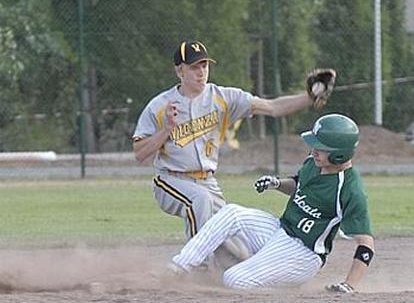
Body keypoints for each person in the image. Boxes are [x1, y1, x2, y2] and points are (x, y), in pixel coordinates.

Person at [133, 40, 327, 263]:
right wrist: (166, 129)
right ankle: (197, 267)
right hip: (170, 180)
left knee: (238, 253)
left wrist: (309, 97)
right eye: (194, 67)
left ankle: (225, 271)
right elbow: (139, 153)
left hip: (208, 182)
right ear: (179, 70)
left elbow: (273, 107)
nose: (201, 72)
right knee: (200, 201)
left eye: (204, 66)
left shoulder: (223, 98)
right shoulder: (160, 105)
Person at [168, 113, 374, 293]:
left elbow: (366, 245)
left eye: (320, 148)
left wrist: (349, 284)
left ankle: (282, 279)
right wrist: (277, 184)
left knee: (234, 279)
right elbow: (299, 184)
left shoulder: (350, 190)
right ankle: (180, 267)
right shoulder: (314, 162)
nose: (313, 150)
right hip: (280, 231)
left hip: (304, 254)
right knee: (231, 213)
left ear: (340, 153)